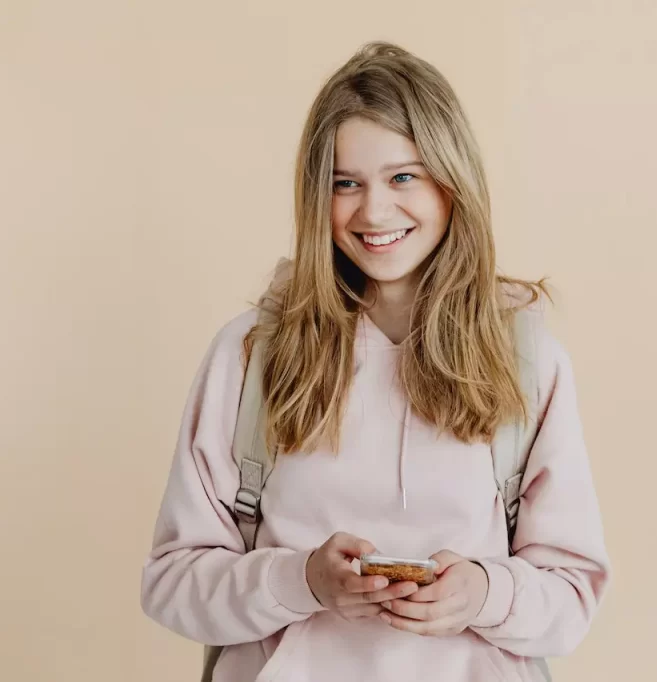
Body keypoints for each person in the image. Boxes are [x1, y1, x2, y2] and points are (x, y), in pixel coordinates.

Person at [140, 41, 610, 682]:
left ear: (453, 182)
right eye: (345, 184)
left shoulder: (527, 363)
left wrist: (482, 594)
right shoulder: (252, 354)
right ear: (316, 197)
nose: (374, 210)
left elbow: (572, 595)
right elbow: (171, 582)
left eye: (403, 177)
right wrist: (300, 579)